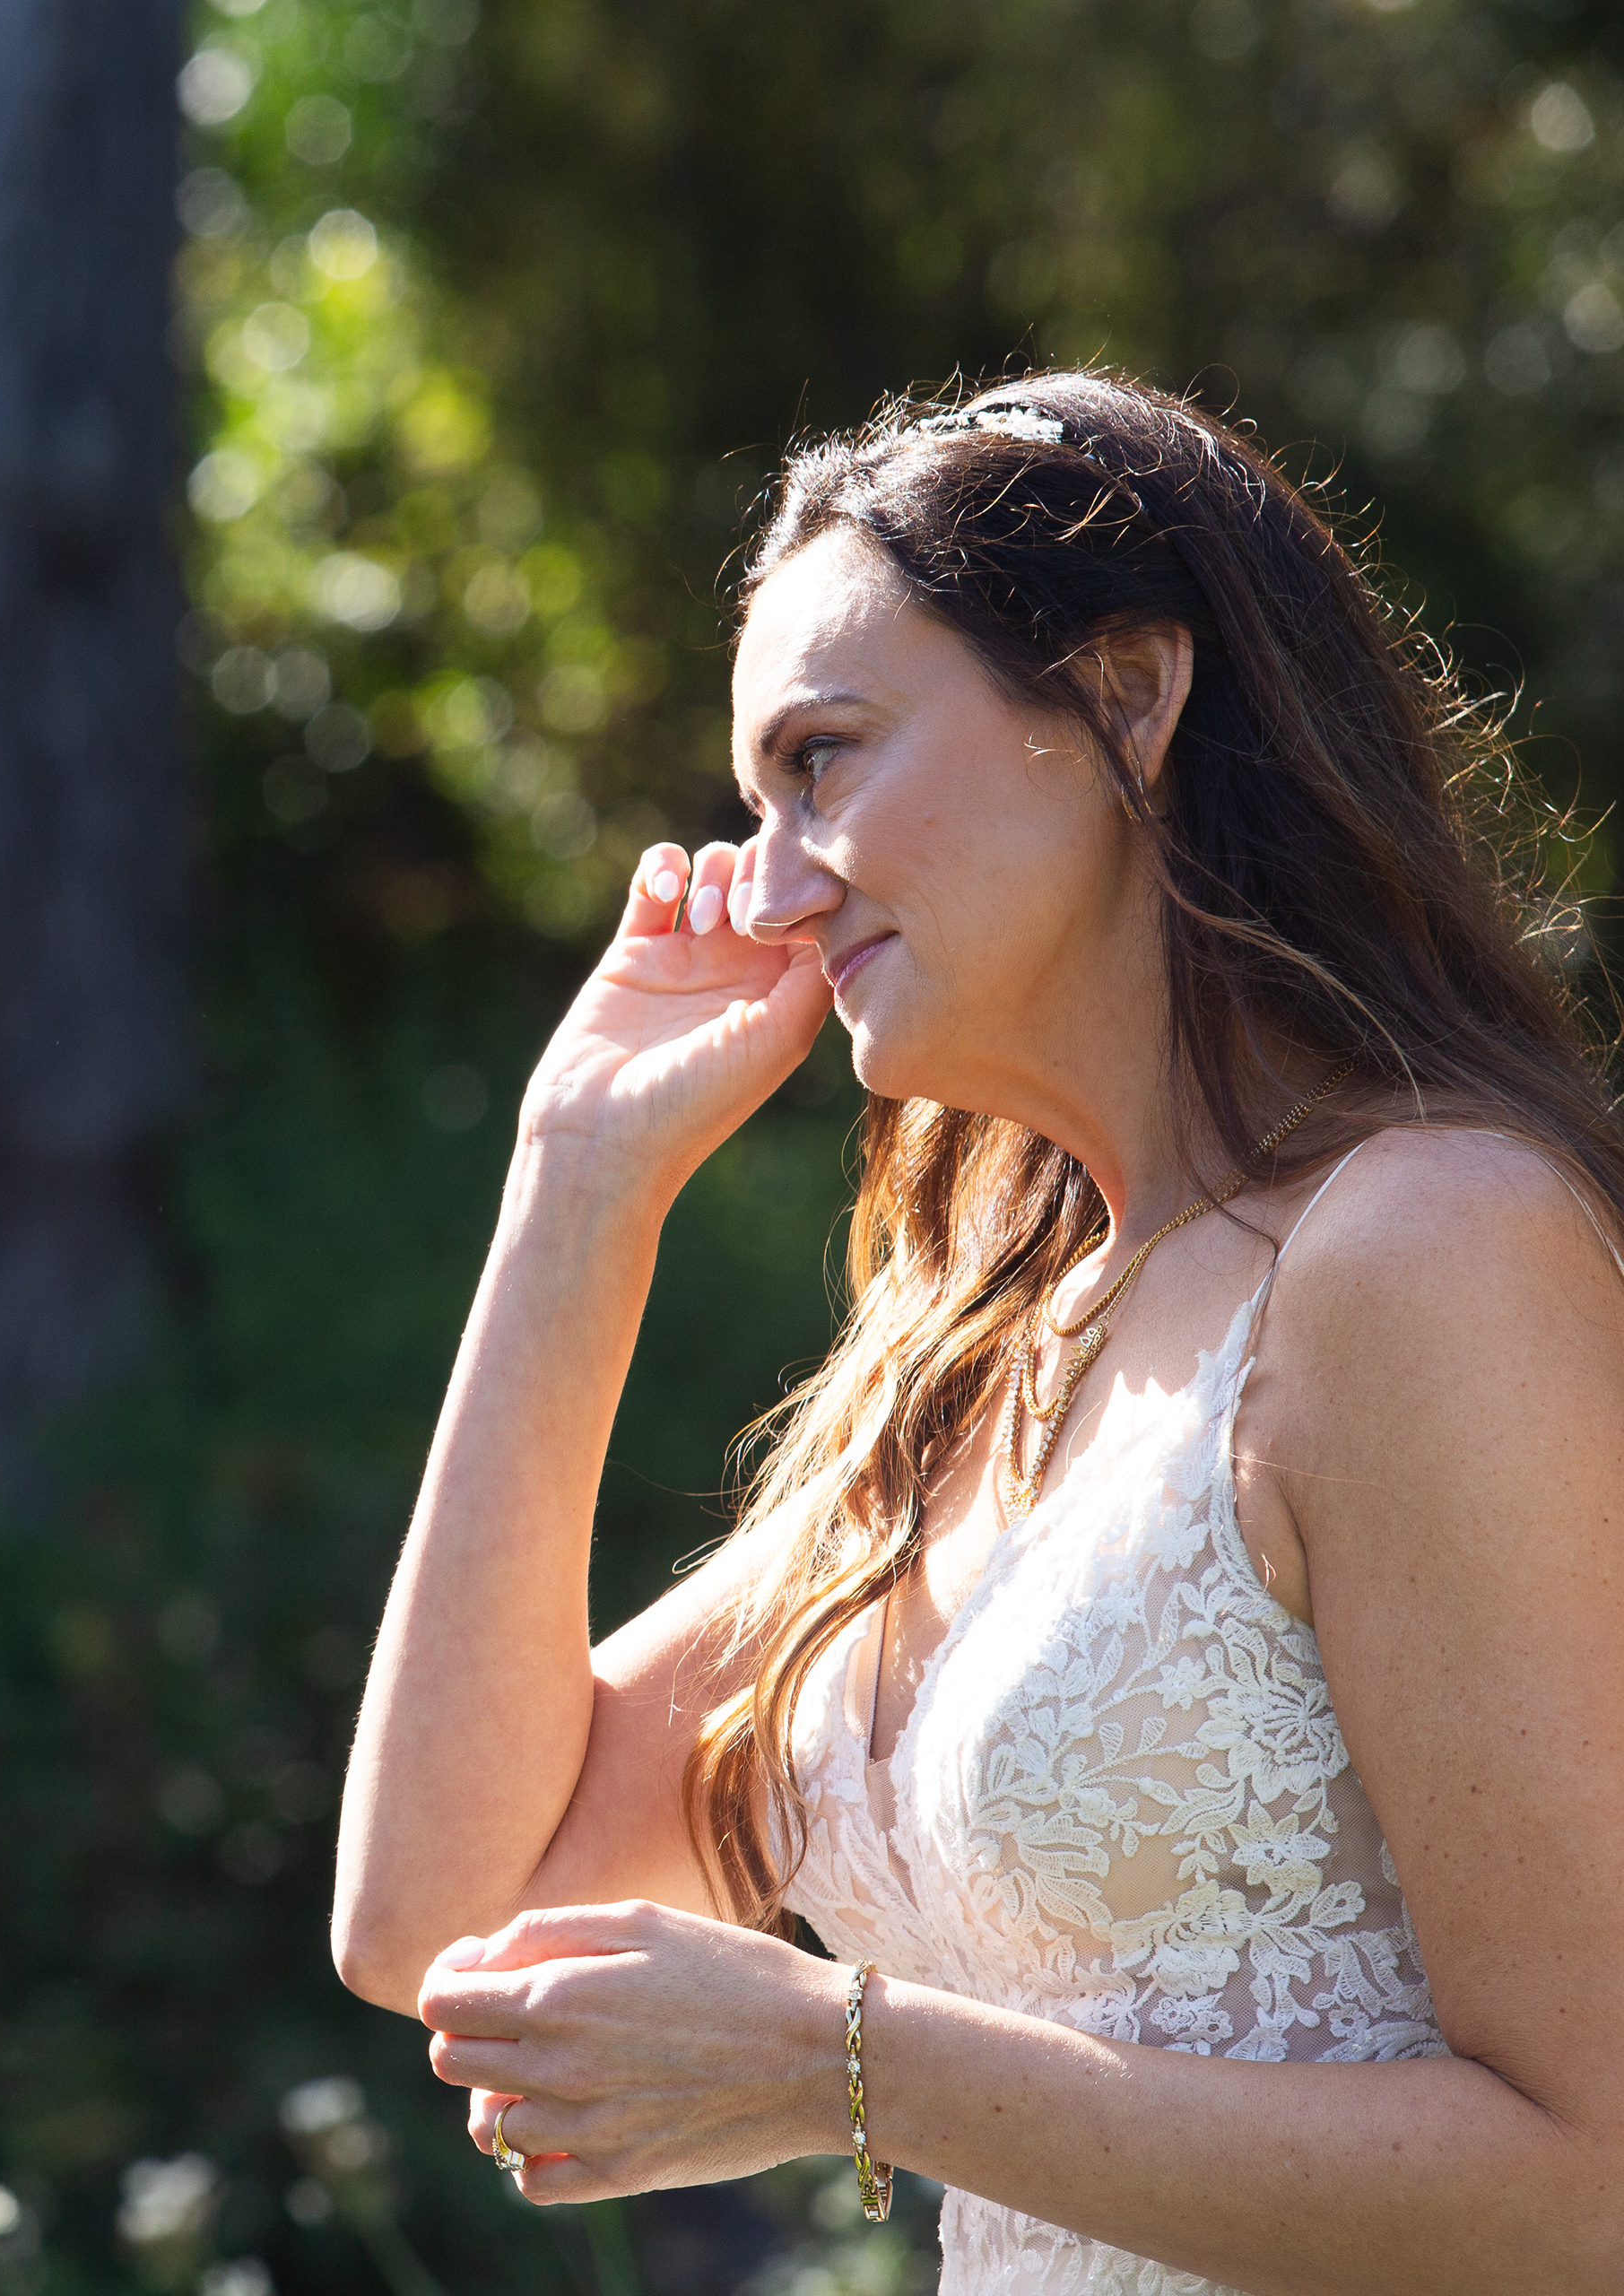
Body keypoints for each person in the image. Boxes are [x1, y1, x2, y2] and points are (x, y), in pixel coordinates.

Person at [330, 371, 1624, 2290]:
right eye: (752, 804)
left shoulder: (1427, 1247)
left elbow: (1592, 2182)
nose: (767, 881)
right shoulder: (979, 1360)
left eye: (825, 758)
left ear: (1125, 697)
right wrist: (577, 1186)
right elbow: (446, 1911)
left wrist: (846, 2064)